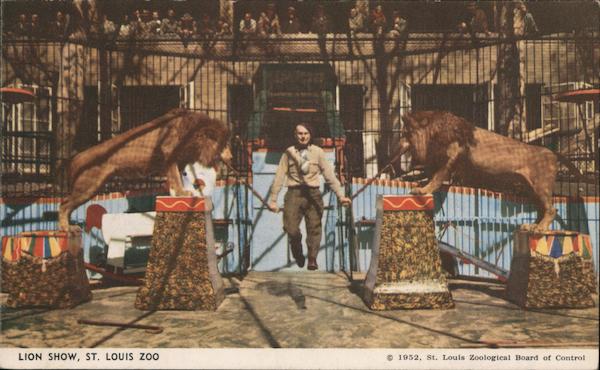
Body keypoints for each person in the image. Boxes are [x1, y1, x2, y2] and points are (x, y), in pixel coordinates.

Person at [267, 123, 351, 270]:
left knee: (314, 227)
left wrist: (341, 196)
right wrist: (273, 200)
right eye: (300, 133)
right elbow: (279, 177)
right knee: (290, 227)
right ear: (295, 135)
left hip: (313, 193)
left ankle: (312, 258)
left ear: (310, 135)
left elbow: (329, 176)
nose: (303, 136)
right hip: (294, 193)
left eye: (306, 133)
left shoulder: (318, 152)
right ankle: (297, 249)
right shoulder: (288, 152)